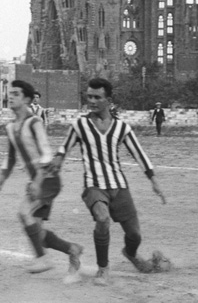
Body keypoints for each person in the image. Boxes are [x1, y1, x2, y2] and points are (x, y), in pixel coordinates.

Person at [52, 77, 169, 286]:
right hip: (94, 186)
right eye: (89, 97)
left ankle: (130, 253)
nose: (92, 101)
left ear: (109, 100)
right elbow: (64, 148)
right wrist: (57, 161)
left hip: (119, 186)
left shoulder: (121, 128)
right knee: (102, 219)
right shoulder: (80, 125)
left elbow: (139, 154)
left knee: (134, 235)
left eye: (97, 97)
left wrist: (153, 180)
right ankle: (103, 269)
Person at [0, 80, 84, 282]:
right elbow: (10, 159)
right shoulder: (11, 127)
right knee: (38, 234)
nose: (10, 96)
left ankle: (43, 259)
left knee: (24, 212)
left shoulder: (34, 122)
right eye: (10, 93)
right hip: (38, 182)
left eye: (16, 93)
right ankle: (72, 249)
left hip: (48, 179)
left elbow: (47, 154)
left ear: (27, 99)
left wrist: (38, 182)